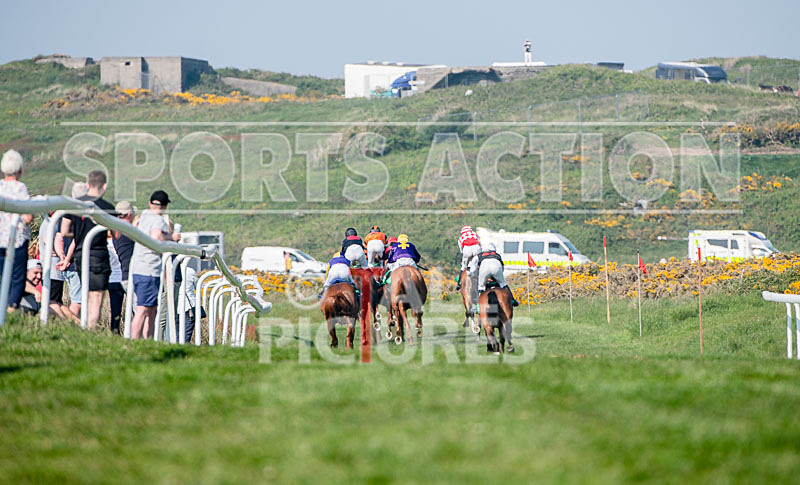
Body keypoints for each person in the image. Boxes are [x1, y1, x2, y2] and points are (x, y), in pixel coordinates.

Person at [60, 171, 115, 329]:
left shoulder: (75, 204)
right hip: (98, 253)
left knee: (87, 293)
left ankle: (85, 328)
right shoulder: (107, 207)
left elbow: (65, 230)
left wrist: (78, 233)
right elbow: (116, 232)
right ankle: (90, 330)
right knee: (96, 297)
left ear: (88, 184)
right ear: (104, 186)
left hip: (79, 254)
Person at [130, 190, 180, 339]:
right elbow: (156, 235)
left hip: (138, 266)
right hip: (149, 268)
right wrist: (172, 237)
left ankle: (148, 340)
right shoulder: (158, 220)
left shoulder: (144, 215)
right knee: (143, 309)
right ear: (165, 206)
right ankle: (134, 341)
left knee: (152, 309)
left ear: (150, 203)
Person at [0, 149, 32, 310]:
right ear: (20, 169)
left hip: (0, 239)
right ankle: (10, 310)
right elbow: (28, 217)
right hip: (17, 239)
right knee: (17, 277)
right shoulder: (20, 188)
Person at [38, 213, 79, 323]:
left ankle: (56, 323)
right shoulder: (51, 223)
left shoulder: (49, 222)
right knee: (53, 302)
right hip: (53, 270)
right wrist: (62, 254)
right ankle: (62, 323)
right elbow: (47, 242)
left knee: (54, 301)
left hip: (53, 270)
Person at [475, 243, 519, 307]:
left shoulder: (478, 256)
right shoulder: (497, 255)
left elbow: (475, 269)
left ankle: (477, 306)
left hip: (484, 270)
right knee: (503, 284)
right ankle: (512, 300)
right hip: (496, 269)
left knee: (481, 287)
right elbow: (502, 268)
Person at [113, 200, 136, 290]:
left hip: (126, 275)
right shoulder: (130, 232)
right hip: (134, 276)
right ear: (130, 214)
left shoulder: (116, 232)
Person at [107, 235, 125, 334]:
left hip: (112, 278)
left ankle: (115, 332)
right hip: (125, 276)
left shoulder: (107, 244)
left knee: (115, 311)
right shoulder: (122, 241)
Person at [456, 225, 481, 291]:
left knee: (463, 267)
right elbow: (479, 243)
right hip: (476, 248)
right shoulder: (475, 234)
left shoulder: (461, 237)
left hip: (467, 250)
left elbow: (461, 250)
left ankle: (459, 283)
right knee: (479, 264)